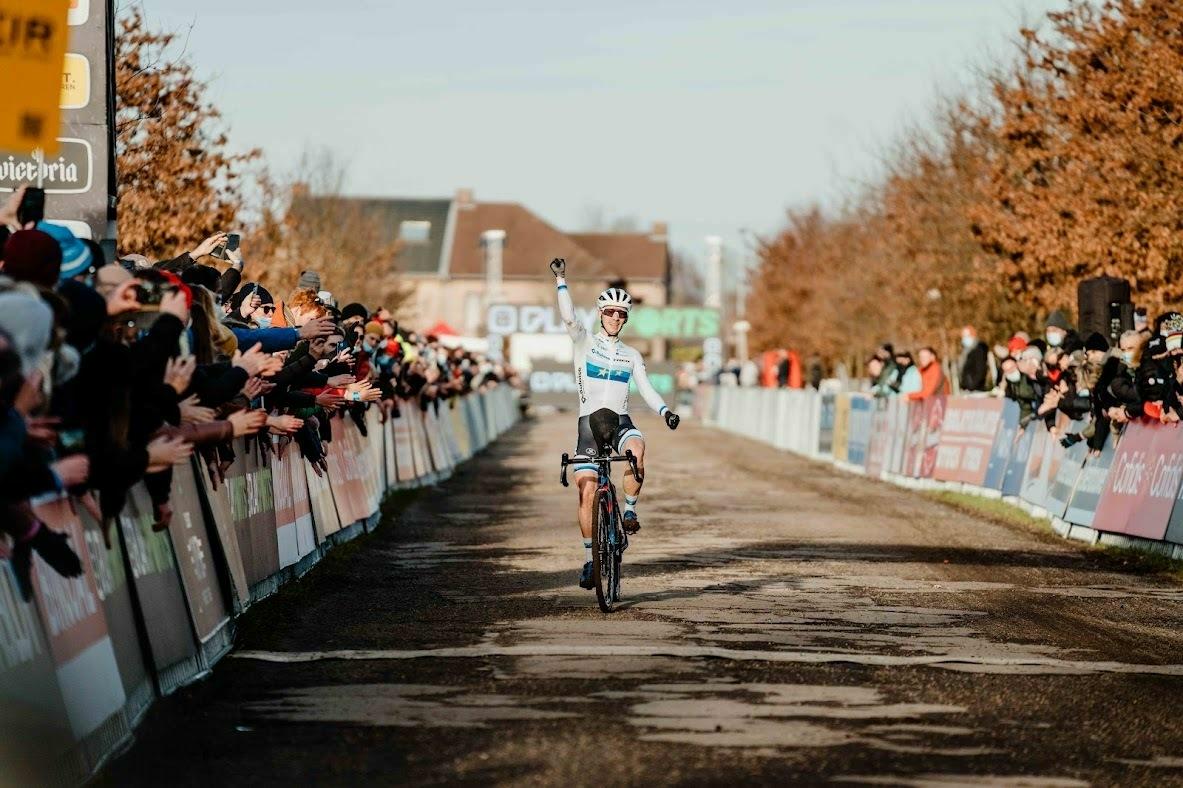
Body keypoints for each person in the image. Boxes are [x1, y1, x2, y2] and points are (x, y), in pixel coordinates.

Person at [549, 257, 679, 591]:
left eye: (621, 314)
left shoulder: (632, 355)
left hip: (620, 421)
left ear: (625, 319)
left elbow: (647, 389)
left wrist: (665, 411)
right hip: (588, 424)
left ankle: (630, 511)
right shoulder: (584, 342)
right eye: (610, 312)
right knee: (586, 490)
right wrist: (561, 279)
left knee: (637, 448)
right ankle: (591, 558)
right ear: (600, 314)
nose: (615, 318)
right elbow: (568, 317)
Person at [957, 326, 990, 392]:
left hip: (975, 389)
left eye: (967, 336)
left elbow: (980, 369)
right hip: (968, 388)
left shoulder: (979, 350)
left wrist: (972, 385)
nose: (964, 339)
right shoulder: (966, 351)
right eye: (963, 336)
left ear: (973, 335)